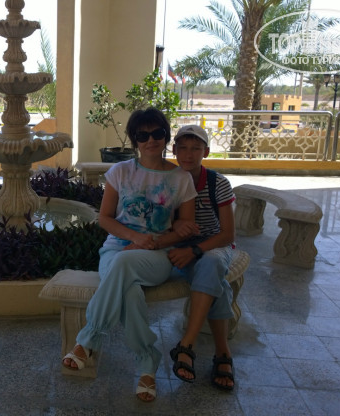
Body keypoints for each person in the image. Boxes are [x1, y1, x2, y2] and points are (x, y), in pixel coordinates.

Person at [61, 108, 198, 402]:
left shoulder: (180, 178)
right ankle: (147, 364)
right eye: (142, 135)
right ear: (134, 140)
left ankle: (89, 338)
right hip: (117, 247)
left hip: (157, 255)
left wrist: (153, 242)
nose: (151, 140)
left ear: (166, 136)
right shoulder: (120, 172)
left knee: (124, 263)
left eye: (157, 133)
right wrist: (135, 237)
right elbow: (105, 219)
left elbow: (185, 228)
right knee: (131, 292)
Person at [167, 124, 237, 391]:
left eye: (196, 148)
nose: (189, 154)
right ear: (174, 150)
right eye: (183, 148)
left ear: (206, 152)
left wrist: (195, 250)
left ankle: (187, 344)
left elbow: (228, 234)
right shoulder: (169, 180)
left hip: (214, 244)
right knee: (219, 283)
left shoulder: (217, 183)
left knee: (212, 262)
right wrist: (176, 227)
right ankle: (223, 352)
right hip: (178, 245)